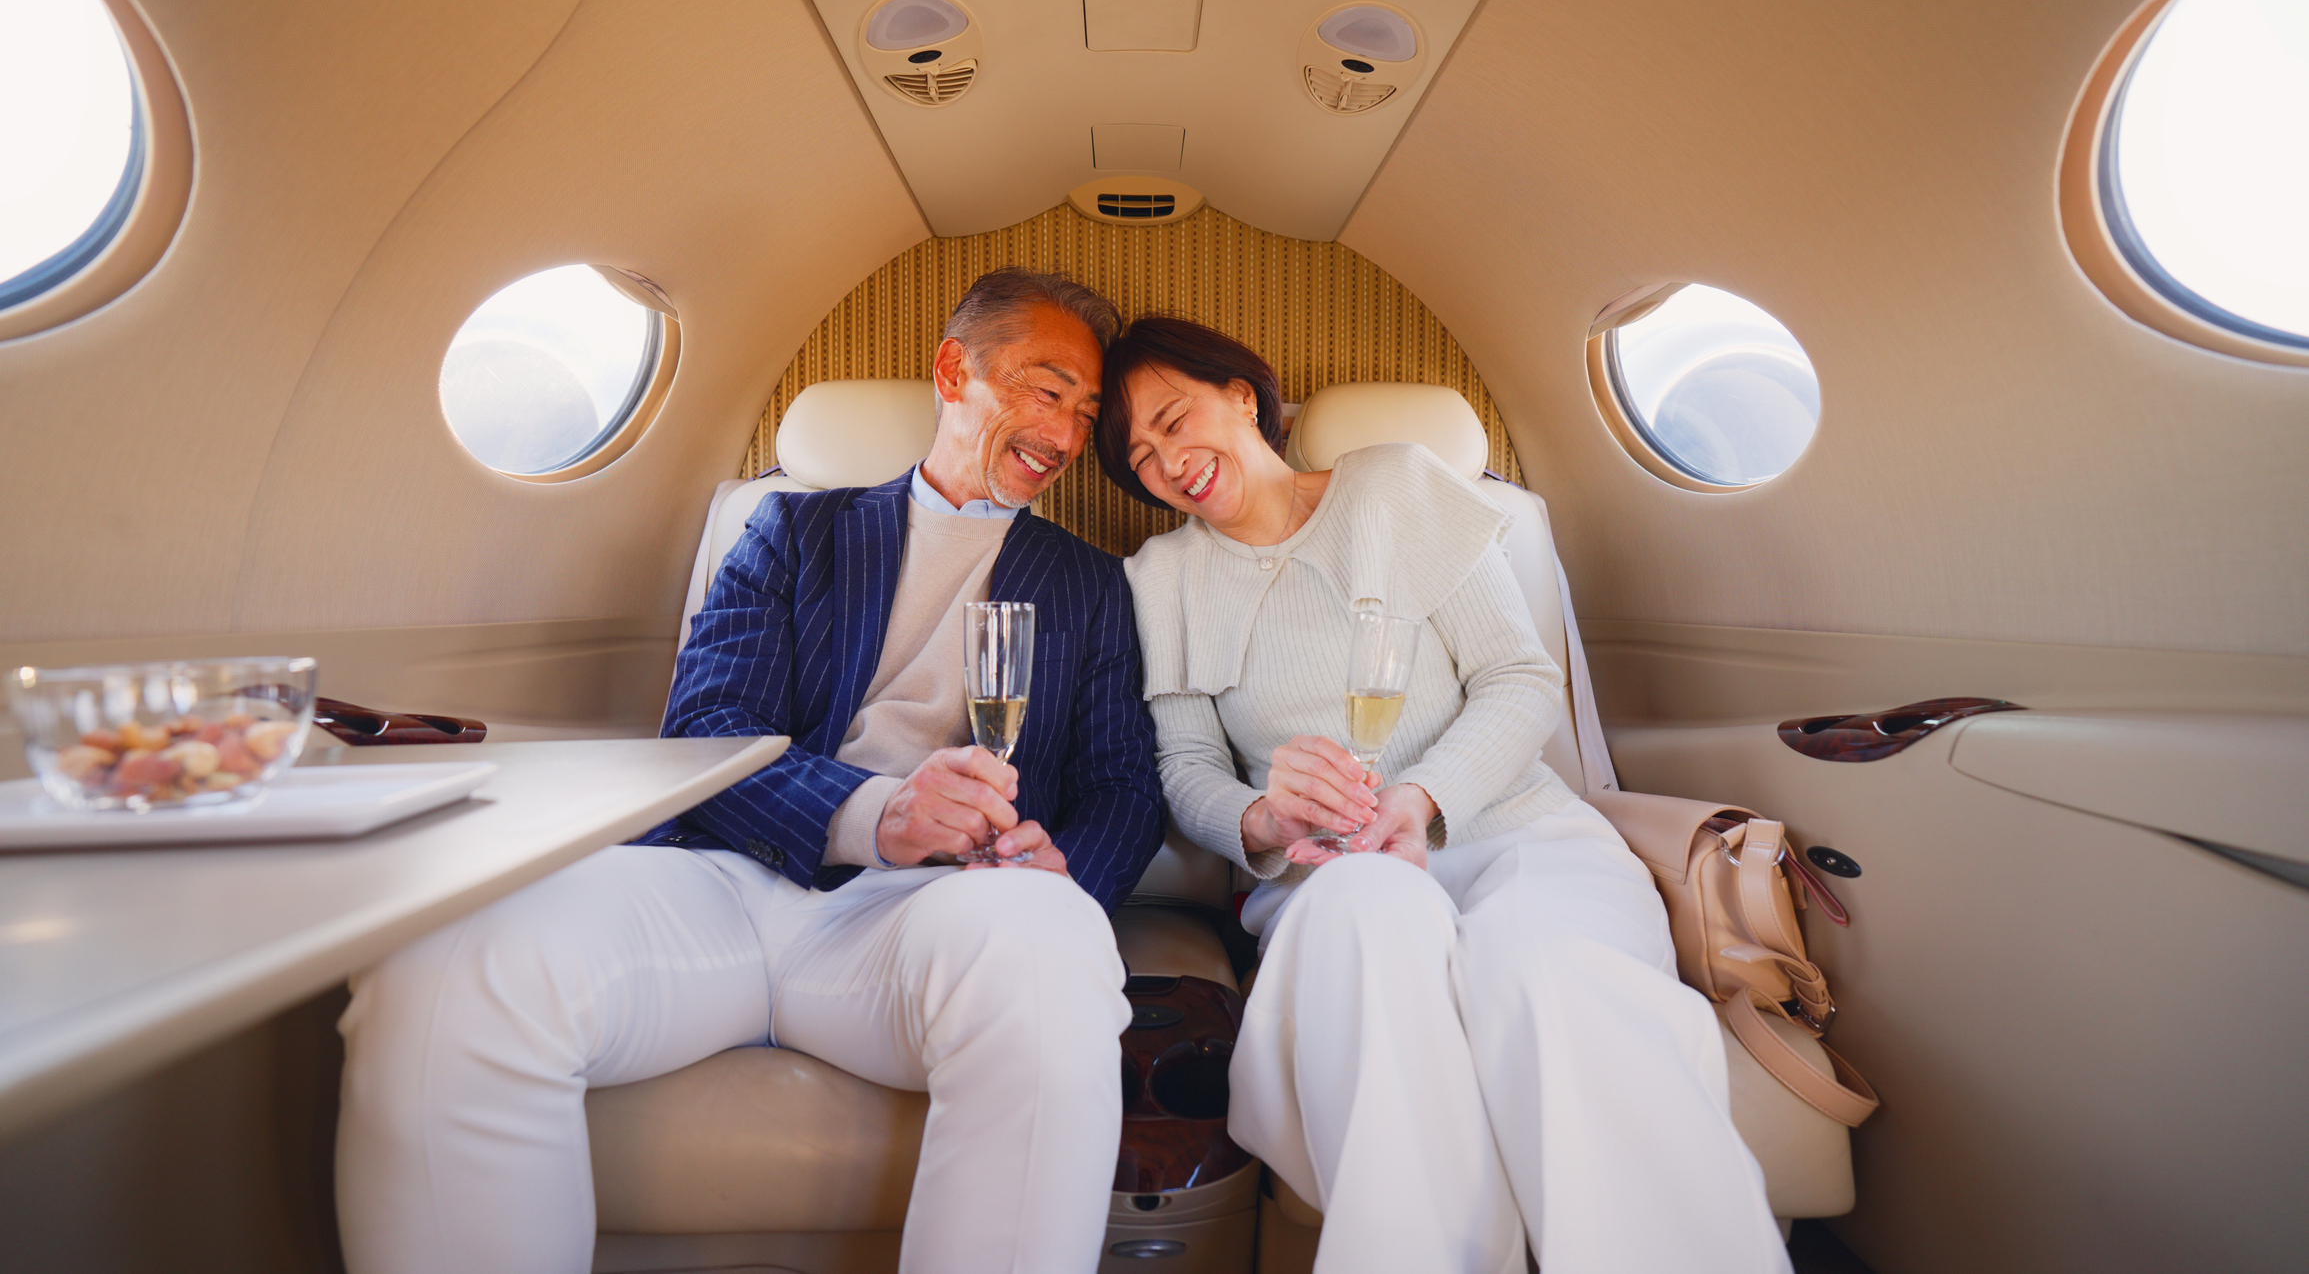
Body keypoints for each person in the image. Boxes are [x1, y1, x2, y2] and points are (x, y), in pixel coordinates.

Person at [336, 268, 1166, 1274]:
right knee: (445, 957)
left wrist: (1061, 870)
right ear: (955, 372)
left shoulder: (1091, 585)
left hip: (939, 913)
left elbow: (1123, 785)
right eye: (1046, 391)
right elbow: (708, 727)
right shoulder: (792, 532)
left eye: (1084, 412)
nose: (1066, 435)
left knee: (1051, 943)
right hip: (729, 882)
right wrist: (875, 813)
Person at [1095, 316, 1790, 1273]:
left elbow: (1518, 678)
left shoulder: (1396, 486)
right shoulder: (1159, 578)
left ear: (1242, 397)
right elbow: (1182, 770)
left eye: (1174, 421)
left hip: (1520, 839)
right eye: (1139, 456)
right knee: (1373, 928)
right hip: (1334, 873)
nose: (1168, 461)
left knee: (1552, 979)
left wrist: (1419, 797)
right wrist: (1262, 815)